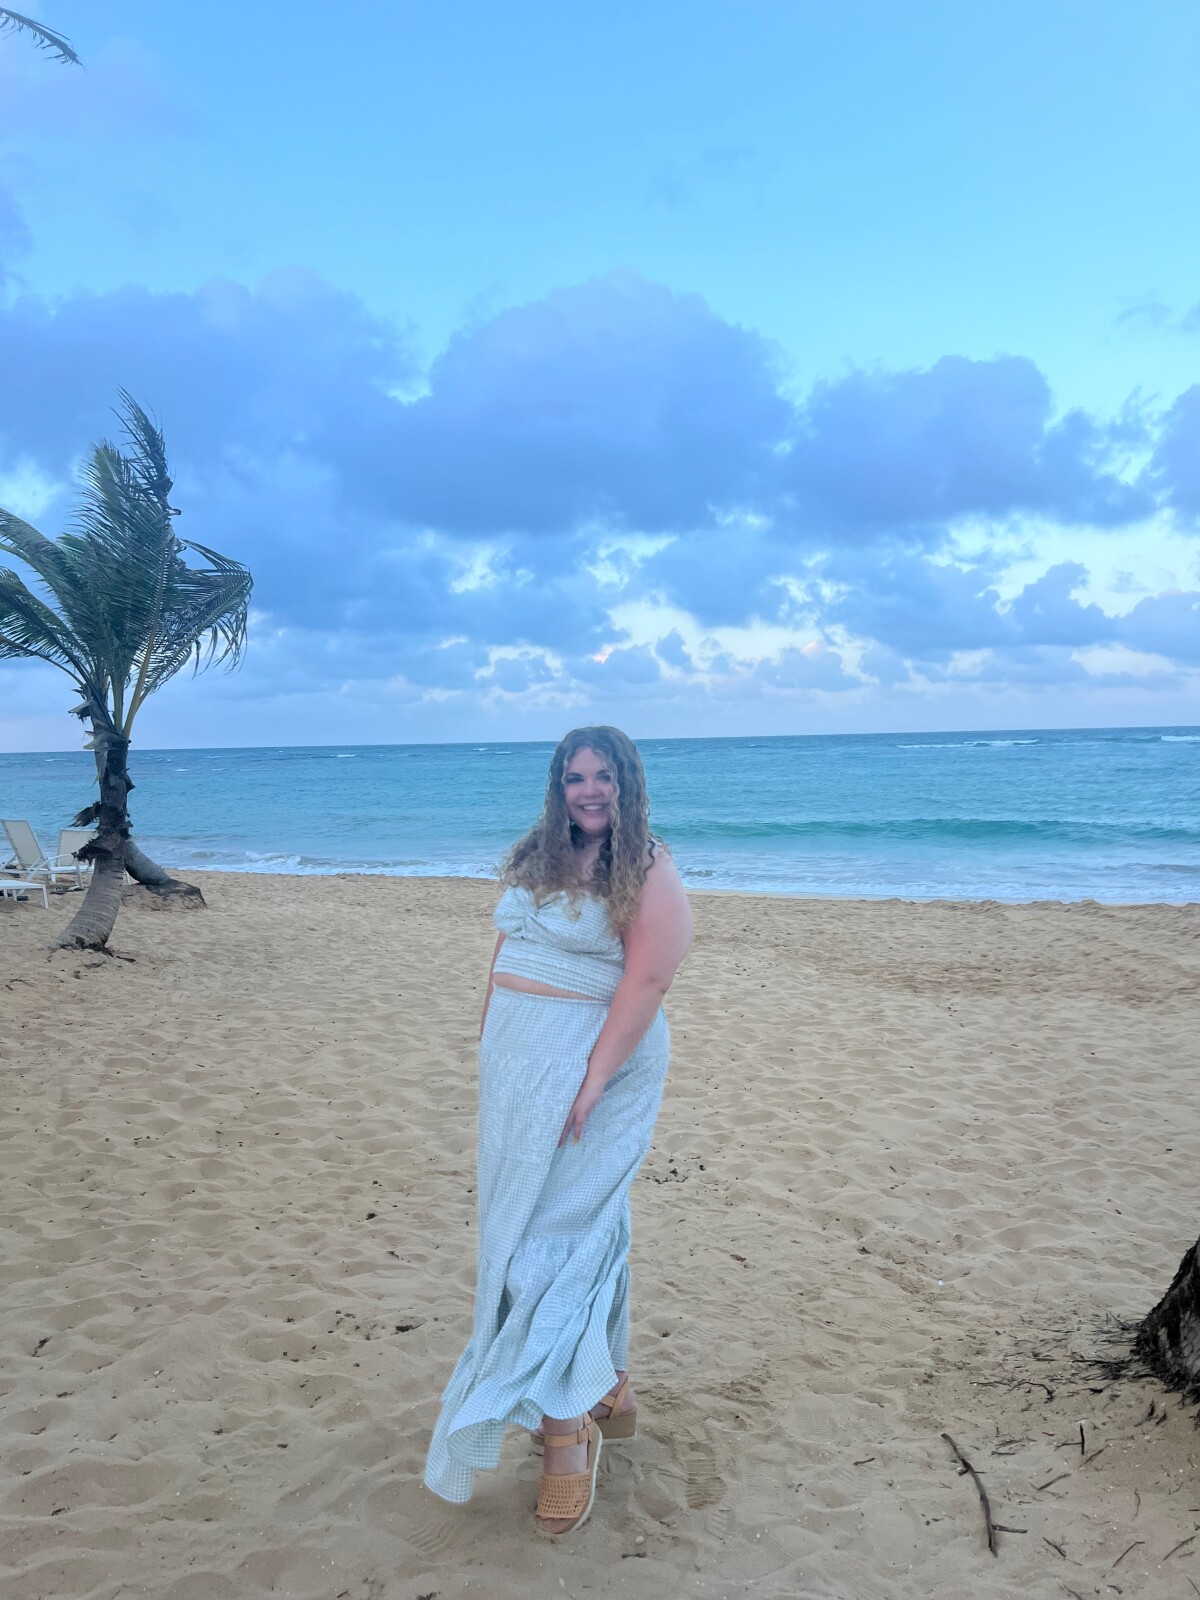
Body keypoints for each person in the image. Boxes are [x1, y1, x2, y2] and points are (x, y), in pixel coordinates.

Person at [423, 725, 693, 1535]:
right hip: (520, 1075)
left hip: (596, 1073)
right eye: (575, 777)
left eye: (603, 776)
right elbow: (506, 950)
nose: (589, 790)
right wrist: (491, 1043)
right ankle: (605, 1384)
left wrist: (594, 1078)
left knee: (554, 1239)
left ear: (627, 783)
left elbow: (649, 977)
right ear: (558, 786)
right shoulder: (540, 854)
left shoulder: (648, 865)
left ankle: (566, 1434)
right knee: (525, 1235)